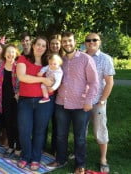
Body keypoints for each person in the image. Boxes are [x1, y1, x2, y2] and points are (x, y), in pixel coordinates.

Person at [46, 32, 99, 174]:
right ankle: (61, 159)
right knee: (60, 135)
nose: (67, 43)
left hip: (81, 105)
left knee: (80, 136)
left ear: (75, 42)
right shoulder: (61, 60)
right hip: (61, 103)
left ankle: (80, 164)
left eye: (69, 41)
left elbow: (94, 82)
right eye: (64, 41)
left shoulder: (86, 59)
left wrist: (89, 100)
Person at [16, 37, 55, 171]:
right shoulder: (23, 59)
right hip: (25, 101)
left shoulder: (49, 63)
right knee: (24, 131)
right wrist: (42, 80)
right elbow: (22, 76)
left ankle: (36, 158)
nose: (40, 47)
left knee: (39, 131)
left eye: (44, 46)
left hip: (44, 101)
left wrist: (49, 82)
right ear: (33, 46)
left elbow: (53, 79)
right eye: (38, 44)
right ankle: (26, 156)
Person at [85, 33, 115, 173]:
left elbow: (109, 82)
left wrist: (103, 100)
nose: (91, 42)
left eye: (94, 40)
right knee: (81, 131)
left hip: (98, 101)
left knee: (100, 131)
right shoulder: (81, 57)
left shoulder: (106, 59)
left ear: (99, 42)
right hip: (83, 102)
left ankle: (103, 159)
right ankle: (80, 155)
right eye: (88, 40)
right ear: (85, 43)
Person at [0, 45, 21, 159]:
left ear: (16, 54)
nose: (10, 54)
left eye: (13, 52)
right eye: (8, 52)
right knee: (8, 124)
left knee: (17, 124)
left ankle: (19, 148)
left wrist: (18, 93)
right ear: (4, 54)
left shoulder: (18, 67)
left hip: (16, 100)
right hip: (3, 100)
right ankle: (10, 146)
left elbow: (23, 82)